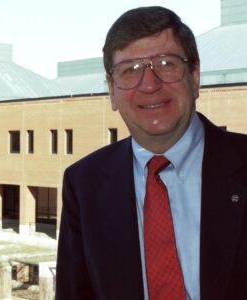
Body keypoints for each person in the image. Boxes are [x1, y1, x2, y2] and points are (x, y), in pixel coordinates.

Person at [56, 6, 247, 300]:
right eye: (129, 70)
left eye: (166, 63)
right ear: (111, 91)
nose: (149, 84)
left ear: (194, 76)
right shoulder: (84, 184)